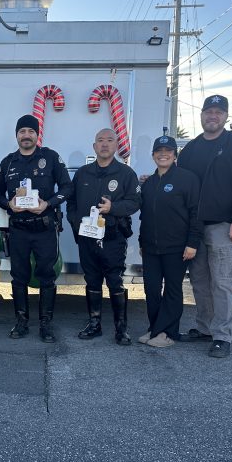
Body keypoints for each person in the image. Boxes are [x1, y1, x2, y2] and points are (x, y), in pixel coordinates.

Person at [176, 95, 232, 358]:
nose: (213, 116)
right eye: (208, 111)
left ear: (226, 116)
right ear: (201, 115)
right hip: (195, 227)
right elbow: (181, 184)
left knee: (222, 282)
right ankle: (204, 328)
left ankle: (223, 335)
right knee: (200, 281)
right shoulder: (190, 149)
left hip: (224, 225)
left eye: (218, 112)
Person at [0, 114, 72, 343]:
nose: (26, 135)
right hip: (18, 229)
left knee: (47, 277)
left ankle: (46, 324)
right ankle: (21, 322)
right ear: (16, 135)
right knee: (18, 277)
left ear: (37, 135)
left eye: (30, 131)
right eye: (22, 132)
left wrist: (49, 204)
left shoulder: (50, 158)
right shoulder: (8, 162)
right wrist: (7, 204)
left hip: (44, 229)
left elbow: (67, 187)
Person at [67, 128, 140, 345]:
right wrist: (74, 221)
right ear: (94, 146)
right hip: (87, 238)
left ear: (116, 145)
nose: (105, 144)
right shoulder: (82, 173)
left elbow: (136, 202)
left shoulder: (126, 174)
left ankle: (121, 328)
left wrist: (113, 208)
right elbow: (71, 202)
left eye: (109, 140)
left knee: (115, 282)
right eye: (100, 140)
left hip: (113, 237)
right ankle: (94, 324)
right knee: (92, 281)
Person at [137, 135, 202, 347]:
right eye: (159, 150)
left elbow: (196, 213)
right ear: (153, 154)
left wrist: (193, 243)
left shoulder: (187, 178)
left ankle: (168, 333)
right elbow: (145, 215)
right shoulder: (149, 183)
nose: (163, 154)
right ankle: (154, 328)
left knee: (173, 290)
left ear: (175, 154)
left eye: (168, 150)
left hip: (177, 247)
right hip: (150, 247)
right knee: (151, 289)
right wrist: (141, 241)